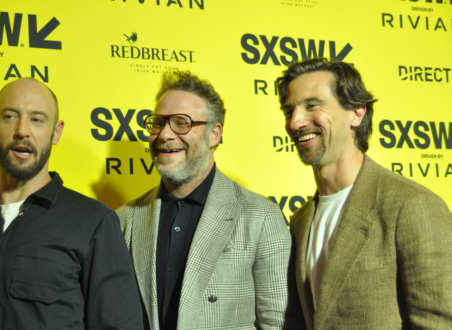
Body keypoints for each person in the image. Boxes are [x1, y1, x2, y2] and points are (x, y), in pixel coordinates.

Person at [0, 78, 143, 329]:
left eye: (37, 119)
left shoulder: (93, 223)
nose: (22, 130)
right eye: (10, 116)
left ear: (56, 132)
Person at [117, 69, 304, 330]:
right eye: (158, 122)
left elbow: (280, 323)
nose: (165, 135)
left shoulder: (261, 216)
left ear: (214, 134)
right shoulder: (125, 219)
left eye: (181, 122)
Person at [277, 58, 452, 329]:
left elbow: (438, 323)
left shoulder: (411, 205)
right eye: (289, 111)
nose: (295, 122)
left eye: (312, 105)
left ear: (357, 113)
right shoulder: (300, 221)